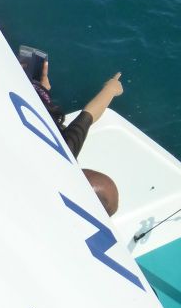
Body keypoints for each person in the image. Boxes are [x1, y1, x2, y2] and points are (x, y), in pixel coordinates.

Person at [31, 60, 123, 216]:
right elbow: (86, 119)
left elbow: (86, 118)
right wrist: (110, 89)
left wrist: (40, 92)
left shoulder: (53, 162)